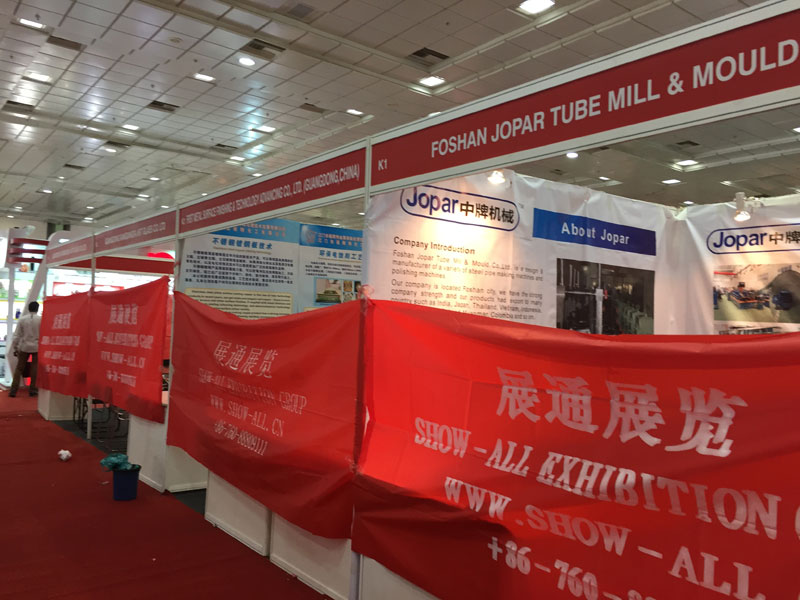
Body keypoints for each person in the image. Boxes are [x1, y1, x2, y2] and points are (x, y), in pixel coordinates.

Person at [9, 301, 41, 398]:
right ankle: (33, 390)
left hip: (24, 347)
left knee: (19, 368)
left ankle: (13, 390)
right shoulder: (41, 319)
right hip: (36, 347)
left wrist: (15, 347)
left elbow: (17, 335)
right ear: (37, 309)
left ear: (28, 308)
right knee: (34, 368)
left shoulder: (22, 319)